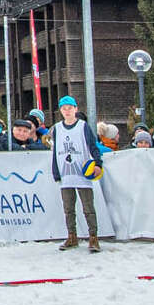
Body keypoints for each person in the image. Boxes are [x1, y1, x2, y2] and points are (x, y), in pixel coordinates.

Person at [47, 96, 103, 253]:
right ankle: (72, 236)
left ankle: (93, 237)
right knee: (68, 208)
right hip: (66, 173)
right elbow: (55, 151)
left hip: (82, 172)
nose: (67, 111)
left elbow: (93, 146)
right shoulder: (57, 128)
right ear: (60, 110)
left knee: (88, 208)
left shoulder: (83, 126)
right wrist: (56, 171)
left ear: (75, 109)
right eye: (64, 108)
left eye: (70, 108)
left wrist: (98, 163)